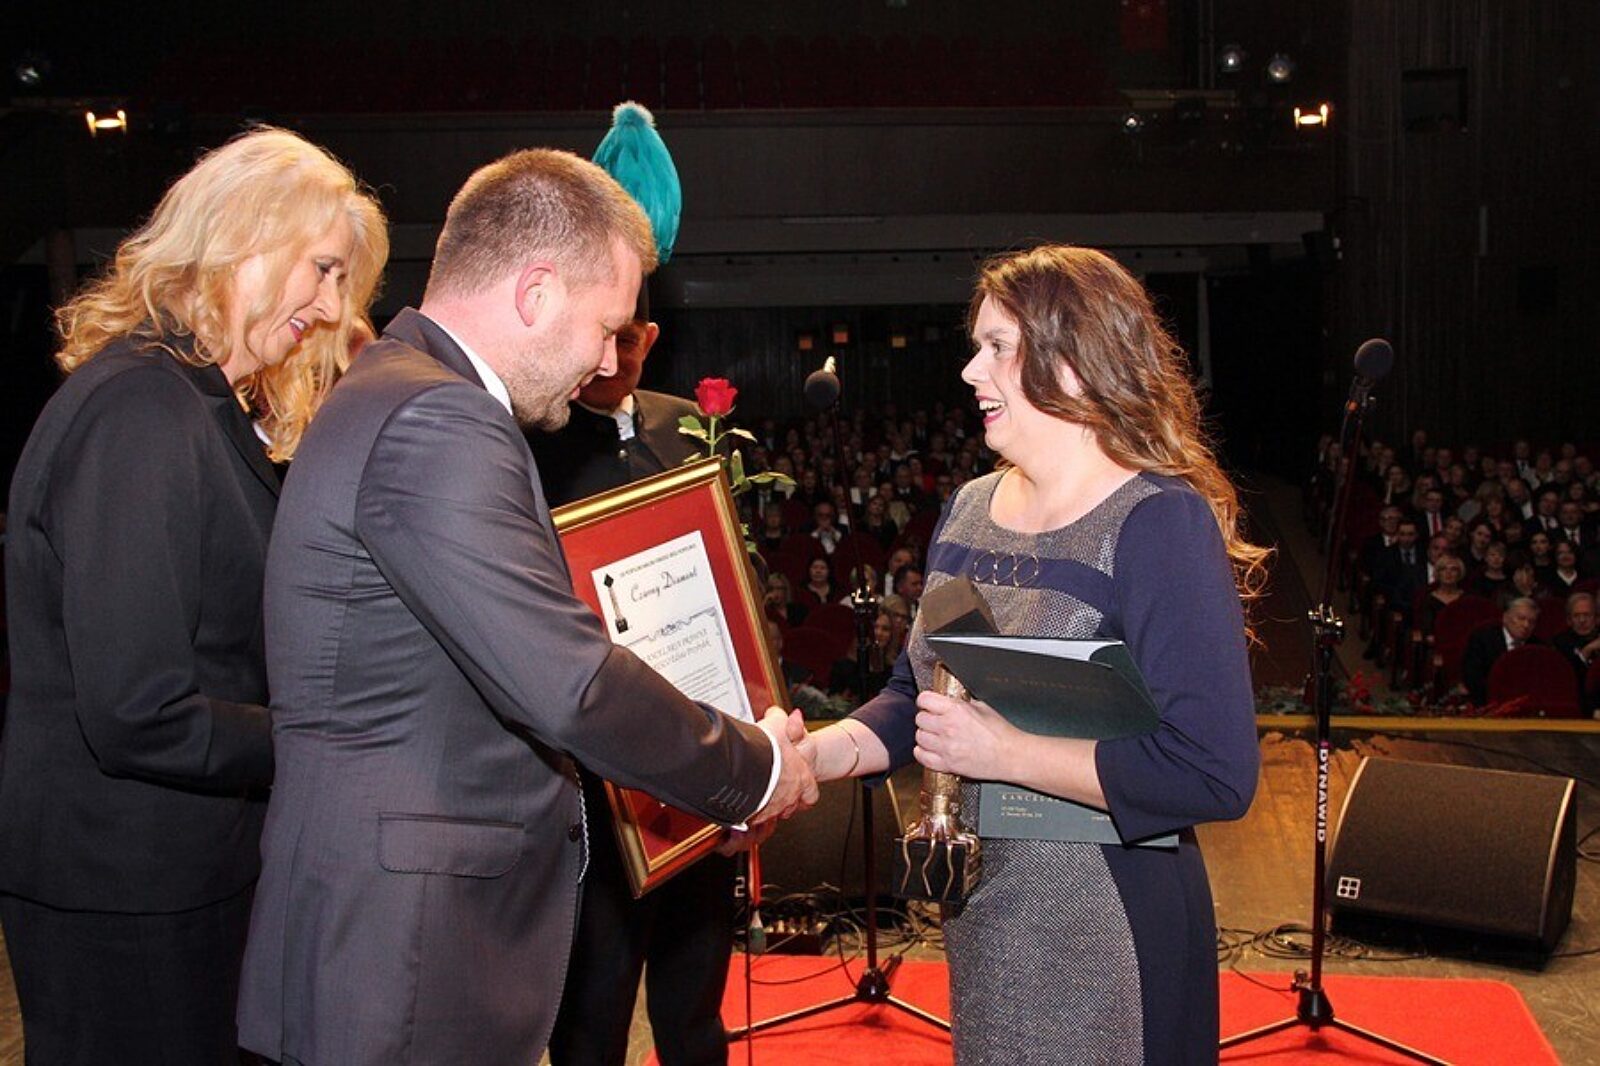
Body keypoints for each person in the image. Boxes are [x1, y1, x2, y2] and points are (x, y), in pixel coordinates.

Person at [236, 147, 815, 1066]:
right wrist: (754, 767)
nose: (606, 361)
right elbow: (571, 685)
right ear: (536, 291)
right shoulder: (440, 418)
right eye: (605, 328)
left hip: (382, 940)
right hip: (404, 958)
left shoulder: (394, 387)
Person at [795, 246, 1264, 1062]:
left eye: (998, 347)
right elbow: (917, 694)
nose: (971, 370)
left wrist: (1005, 753)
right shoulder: (971, 508)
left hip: (1109, 925)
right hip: (988, 914)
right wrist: (817, 755)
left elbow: (1214, 772)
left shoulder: (1159, 521)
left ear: (1074, 362)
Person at [0, 128, 387, 1063]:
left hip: (179, 874)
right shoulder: (141, 410)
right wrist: (327, 741)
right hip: (130, 897)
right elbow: (139, 711)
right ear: (242, 239)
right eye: (325, 270)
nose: (333, 308)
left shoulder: (195, 402)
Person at [528, 278, 746, 1065]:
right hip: (596, 773)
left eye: (628, 340)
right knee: (593, 1011)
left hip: (695, 754)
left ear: (649, 339)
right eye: (602, 336)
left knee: (695, 1000)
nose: (610, 358)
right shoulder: (530, 437)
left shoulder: (690, 430)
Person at [1462, 597, 1541, 705]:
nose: (1526, 625)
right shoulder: (1482, 640)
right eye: (1521, 618)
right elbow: (1473, 678)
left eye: (1531, 622)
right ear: (1505, 617)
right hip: (1489, 701)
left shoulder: (1538, 646)